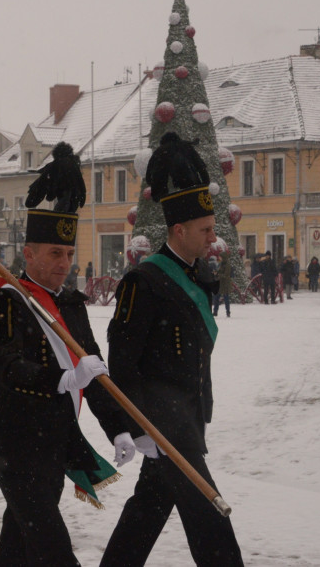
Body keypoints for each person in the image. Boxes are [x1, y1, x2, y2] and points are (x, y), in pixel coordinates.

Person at [0, 143, 130, 566]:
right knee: (52, 547)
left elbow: (94, 371)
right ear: (29, 254)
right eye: (54, 254)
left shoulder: (71, 304)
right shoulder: (7, 301)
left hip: (55, 442)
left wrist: (117, 427)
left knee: (20, 542)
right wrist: (63, 379)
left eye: (68, 254)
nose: (64, 263)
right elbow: (8, 367)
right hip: (14, 442)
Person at [101, 132, 243, 566]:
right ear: (178, 229)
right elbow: (121, 360)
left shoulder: (193, 275)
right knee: (210, 518)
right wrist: (139, 425)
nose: (212, 238)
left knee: (147, 510)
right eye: (204, 230)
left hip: (187, 418)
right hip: (166, 425)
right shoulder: (144, 282)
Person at [213, 251, 233, 318]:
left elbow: (226, 275)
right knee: (216, 298)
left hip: (225, 284)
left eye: (220, 257)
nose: (219, 258)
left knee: (226, 298)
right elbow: (219, 271)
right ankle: (215, 312)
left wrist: (218, 274)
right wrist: (216, 272)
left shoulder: (227, 264)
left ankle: (228, 312)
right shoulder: (221, 263)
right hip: (220, 283)